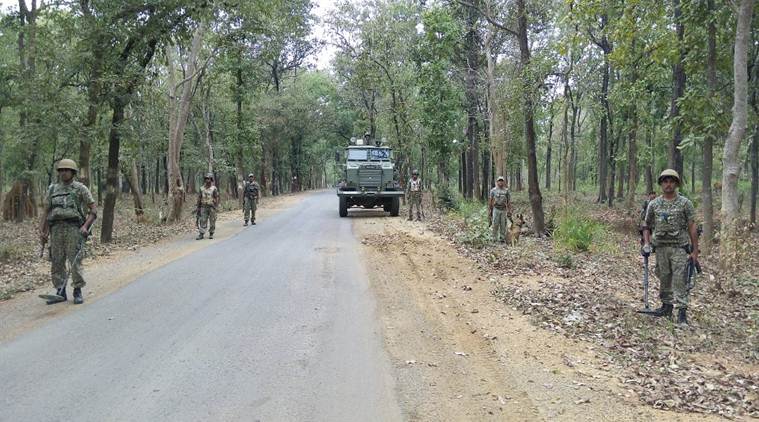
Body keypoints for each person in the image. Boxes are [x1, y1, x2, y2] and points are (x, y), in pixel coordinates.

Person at [642, 169, 699, 325]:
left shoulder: (685, 203)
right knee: (664, 276)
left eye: (671, 181)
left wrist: (695, 251)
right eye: (665, 181)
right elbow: (646, 224)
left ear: (676, 184)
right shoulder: (654, 204)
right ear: (661, 184)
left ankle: (682, 312)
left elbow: (692, 226)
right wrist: (646, 243)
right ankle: (666, 306)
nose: (668, 184)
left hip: (679, 247)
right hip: (660, 247)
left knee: (680, 278)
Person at [38, 159, 97, 305]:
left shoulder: (80, 188)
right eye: (61, 170)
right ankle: (60, 291)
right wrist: (42, 231)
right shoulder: (52, 189)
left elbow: (94, 210)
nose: (63, 173)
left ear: (73, 172)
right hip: (56, 229)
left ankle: (77, 290)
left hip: (74, 229)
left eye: (66, 170)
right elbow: (46, 211)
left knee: (75, 260)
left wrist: (85, 226)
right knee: (56, 261)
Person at [489, 176, 512, 243]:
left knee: (503, 224)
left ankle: (502, 238)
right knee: (495, 224)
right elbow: (490, 200)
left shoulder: (506, 191)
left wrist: (509, 210)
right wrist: (489, 210)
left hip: (503, 209)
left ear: (504, 182)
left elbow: (509, 202)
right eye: (499, 181)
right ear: (497, 182)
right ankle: (494, 238)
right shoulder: (493, 190)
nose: (500, 182)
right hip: (496, 209)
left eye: (502, 181)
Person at [196, 173, 220, 240]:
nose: (207, 180)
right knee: (203, 220)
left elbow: (216, 197)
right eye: (206, 178)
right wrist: (198, 207)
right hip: (203, 206)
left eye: (208, 178)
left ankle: (211, 233)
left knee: (212, 220)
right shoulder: (201, 188)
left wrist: (216, 205)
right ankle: (201, 234)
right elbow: (199, 197)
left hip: (212, 206)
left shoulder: (214, 188)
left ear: (211, 179)